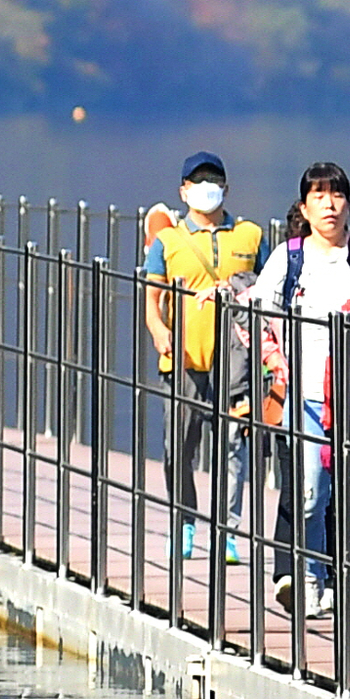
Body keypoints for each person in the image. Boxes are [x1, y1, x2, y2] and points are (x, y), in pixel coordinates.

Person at [257, 163, 350, 622]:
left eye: (336, 195)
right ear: (304, 208)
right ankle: (309, 578)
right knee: (311, 495)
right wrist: (276, 361)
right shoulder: (290, 258)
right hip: (306, 395)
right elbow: (259, 311)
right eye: (319, 197)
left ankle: (347, 585)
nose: (329, 205)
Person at [142, 152, 268, 558]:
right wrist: (160, 330)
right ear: (183, 191)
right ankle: (183, 523)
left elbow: (265, 291)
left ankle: (227, 531)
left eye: (214, 180)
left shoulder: (250, 235)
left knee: (232, 446)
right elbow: (153, 297)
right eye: (198, 181)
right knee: (178, 445)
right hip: (185, 359)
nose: (206, 188)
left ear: (226, 189)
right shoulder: (168, 240)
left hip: (236, 361)